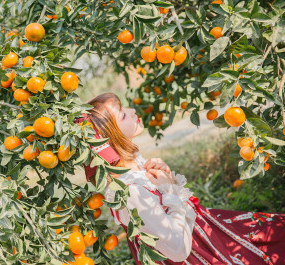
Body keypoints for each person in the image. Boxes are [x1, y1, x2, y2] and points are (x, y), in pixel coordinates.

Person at [75, 93, 285, 265]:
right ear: (110, 137)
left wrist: (168, 183)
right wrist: (169, 190)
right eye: (122, 115)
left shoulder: (132, 165)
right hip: (196, 255)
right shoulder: (130, 192)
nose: (132, 111)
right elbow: (177, 250)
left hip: (205, 235)